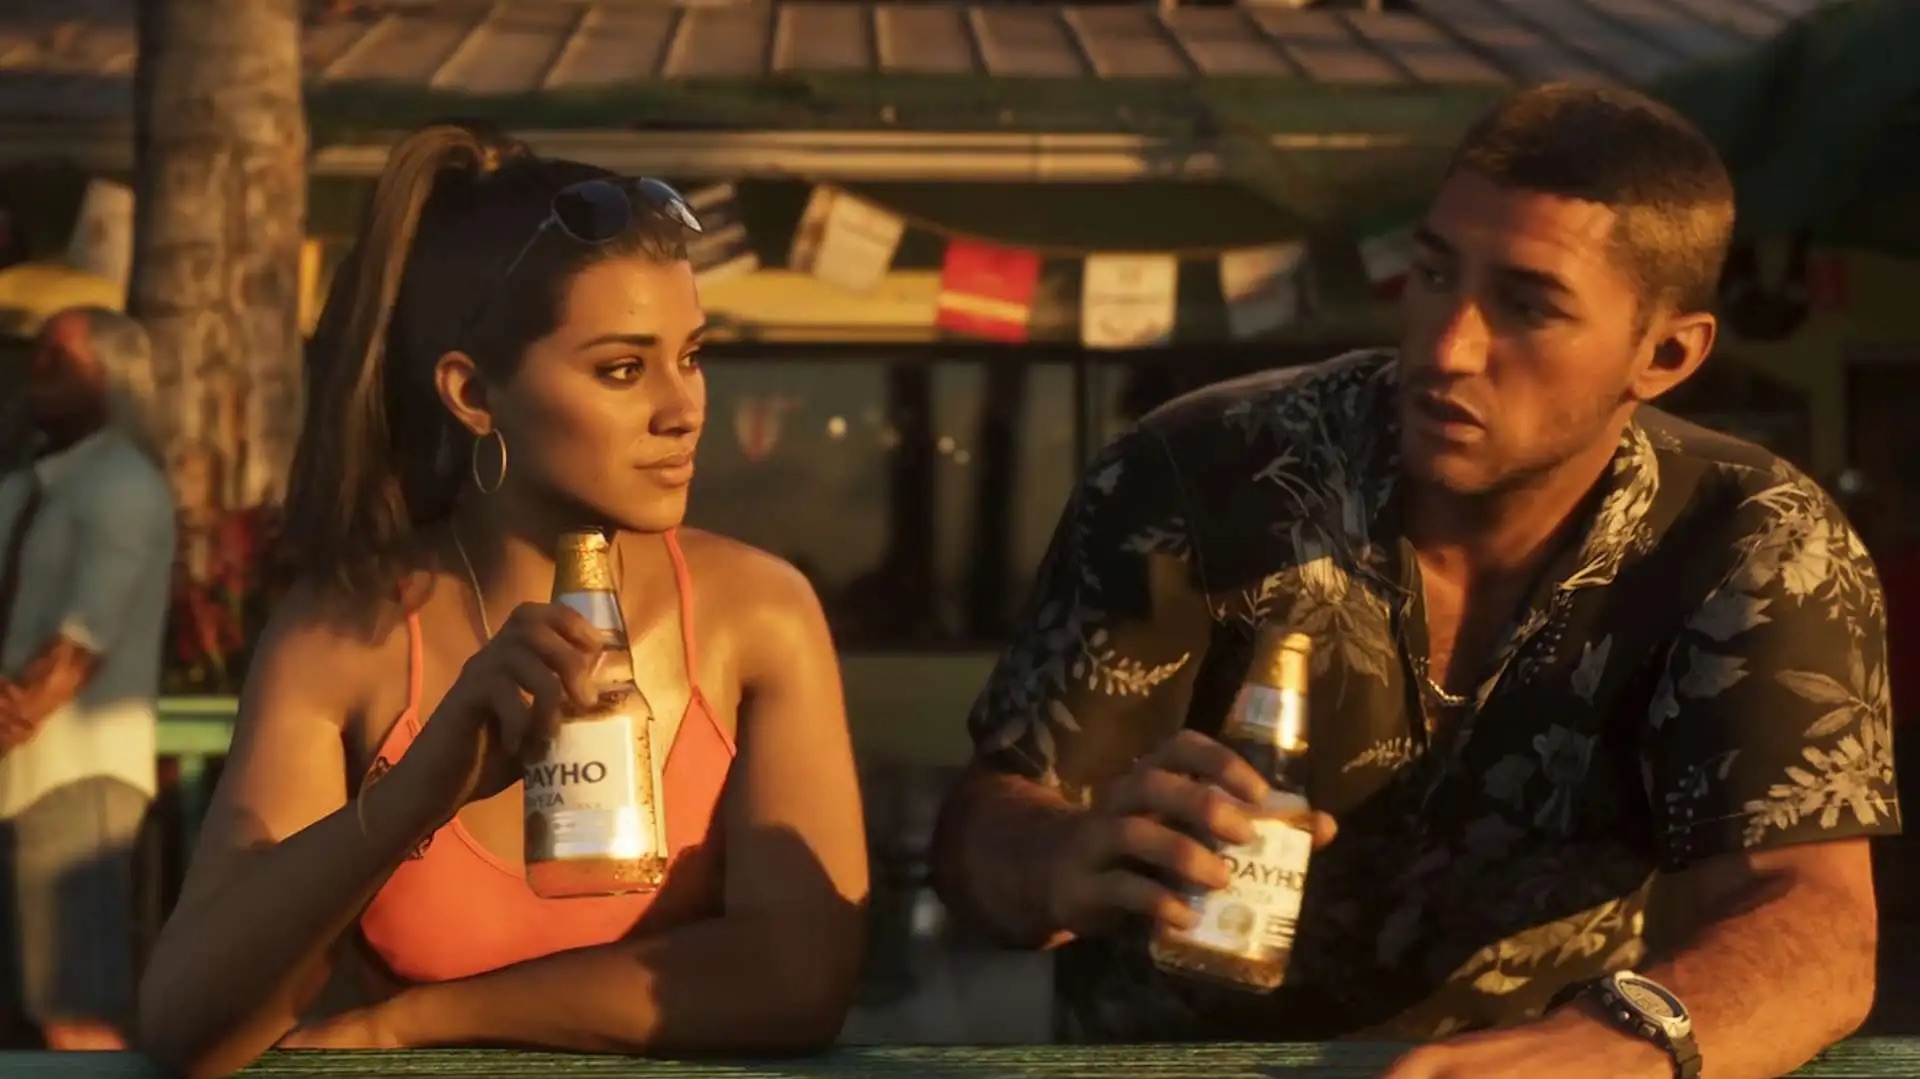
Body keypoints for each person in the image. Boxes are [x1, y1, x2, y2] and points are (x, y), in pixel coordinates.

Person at [932, 83, 1896, 1079]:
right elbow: (979, 833)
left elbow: (1819, 924)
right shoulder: (1201, 474)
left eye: (1527, 304)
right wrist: (1056, 859)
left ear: (1665, 353)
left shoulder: (1751, 539)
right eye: (1434, 273)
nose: (1445, 346)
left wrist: (1615, 1048)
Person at [135, 126, 868, 1076]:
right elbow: (188, 1025)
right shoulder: (347, 635)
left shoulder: (757, 617)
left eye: (690, 356)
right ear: (474, 392)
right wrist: (418, 792)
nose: (682, 407)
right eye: (622, 368)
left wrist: (418, 1020)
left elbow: (797, 979)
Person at [0, 306, 177, 1051]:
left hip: (73, 776)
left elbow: (85, 638)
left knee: (72, 1015)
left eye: (58, 359)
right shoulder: (27, 487)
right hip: (20, 775)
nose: (36, 372)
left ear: (113, 377)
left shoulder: (124, 484)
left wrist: (20, 708)